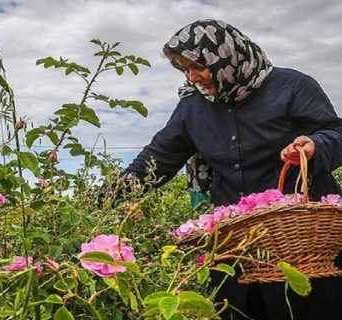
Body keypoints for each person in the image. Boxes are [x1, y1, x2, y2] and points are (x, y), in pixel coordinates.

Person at [123, 19, 342, 320]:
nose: (193, 76)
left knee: (310, 307)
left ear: (224, 54)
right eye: (184, 69)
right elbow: (158, 157)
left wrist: (314, 145)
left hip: (300, 240)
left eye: (197, 66)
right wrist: (108, 198)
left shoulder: (292, 86)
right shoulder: (193, 107)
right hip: (235, 244)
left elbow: (335, 133)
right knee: (239, 308)